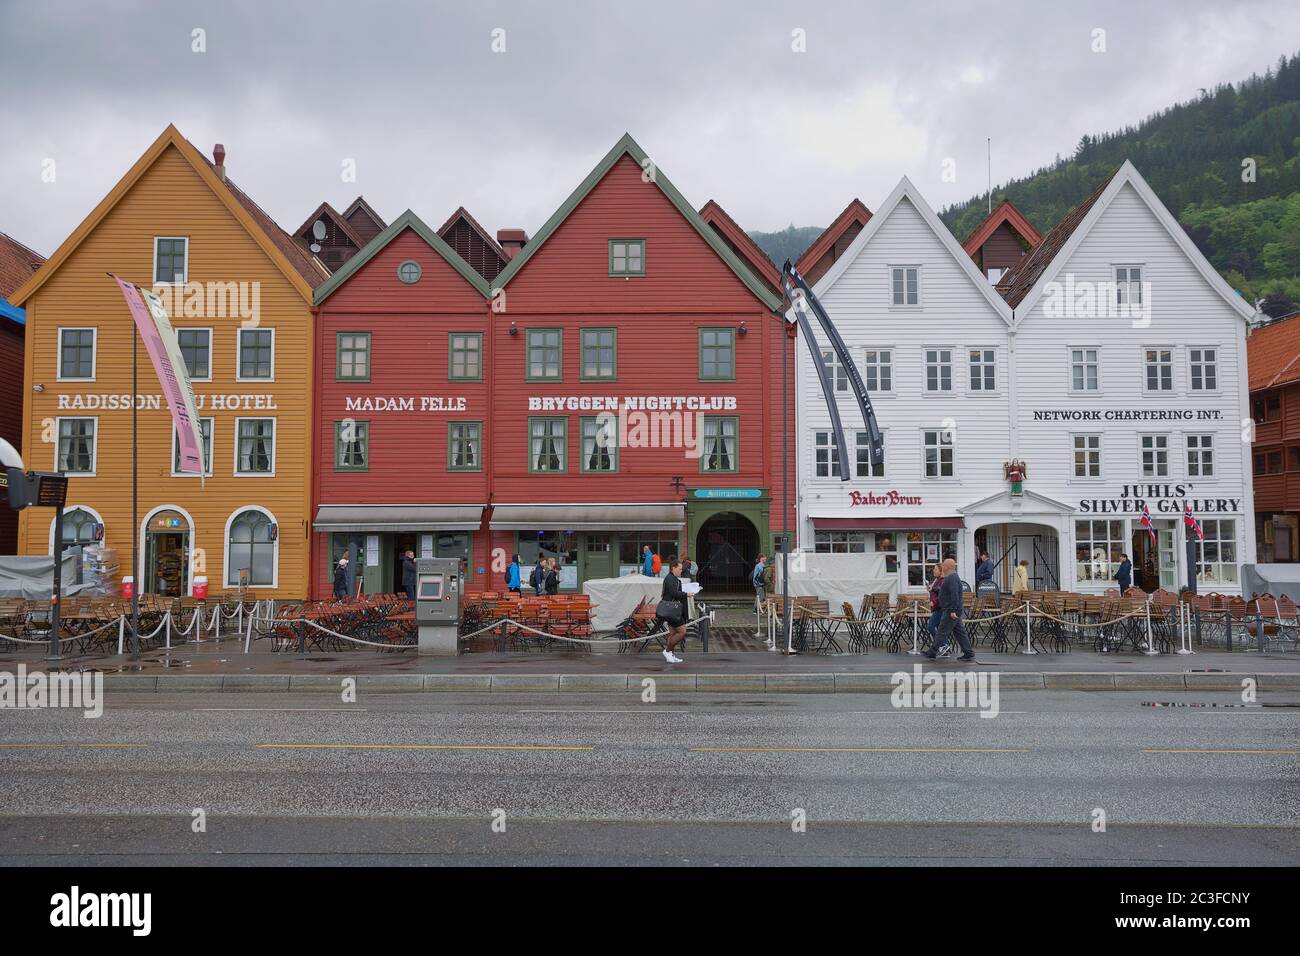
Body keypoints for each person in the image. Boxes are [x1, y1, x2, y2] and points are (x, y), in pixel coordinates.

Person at [926, 558, 975, 661]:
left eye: (943, 565)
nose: (942, 566)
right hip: (952, 609)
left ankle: (932, 651)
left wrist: (953, 610)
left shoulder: (951, 578)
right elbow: (945, 592)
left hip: (950, 610)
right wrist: (934, 589)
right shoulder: (952, 577)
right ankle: (968, 652)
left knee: (941, 631)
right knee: (959, 633)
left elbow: (954, 594)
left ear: (947, 567)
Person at [656, 556, 689, 664]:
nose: (681, 571)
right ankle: (667, 651)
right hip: (672, 610)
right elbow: (674, 593)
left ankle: (671, 655)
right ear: (673, 568)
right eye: (679, 569)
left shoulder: (672, 578)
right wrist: (687, 594)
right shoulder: (670, 579)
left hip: (671, 610)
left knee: (673, 633)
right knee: (682, 632)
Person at [926, 563, 946, 652]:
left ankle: (943, 645)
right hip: (937, 607)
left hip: (939, 607)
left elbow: (942, 594)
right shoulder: (937, 580)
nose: (934, 570)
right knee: (939, 629)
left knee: (930, 626)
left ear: (941, 571)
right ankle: (944, 647)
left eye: (936, 569)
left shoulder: (942, 580)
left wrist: (934, 602)